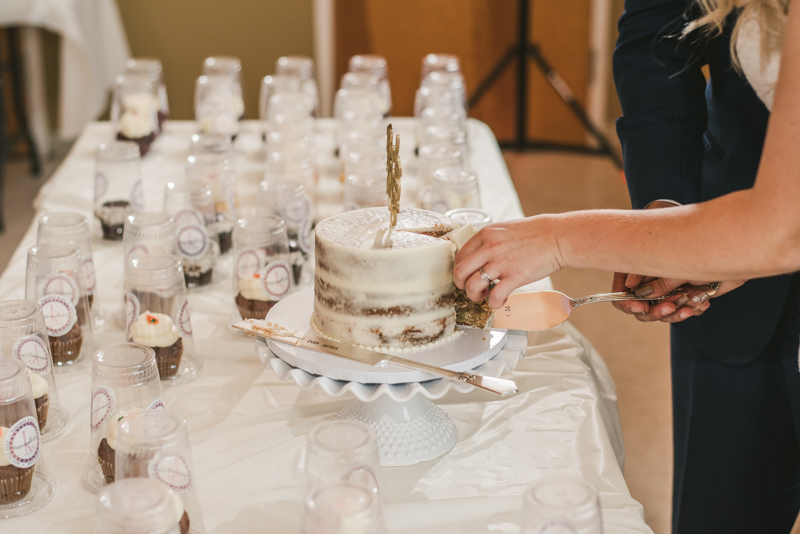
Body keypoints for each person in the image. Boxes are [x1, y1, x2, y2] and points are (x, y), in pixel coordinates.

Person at [454, 0, 800, 532]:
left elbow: (782, 226)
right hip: (726, 261)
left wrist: (559, 238)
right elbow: (656, 34)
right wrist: (667, 228)